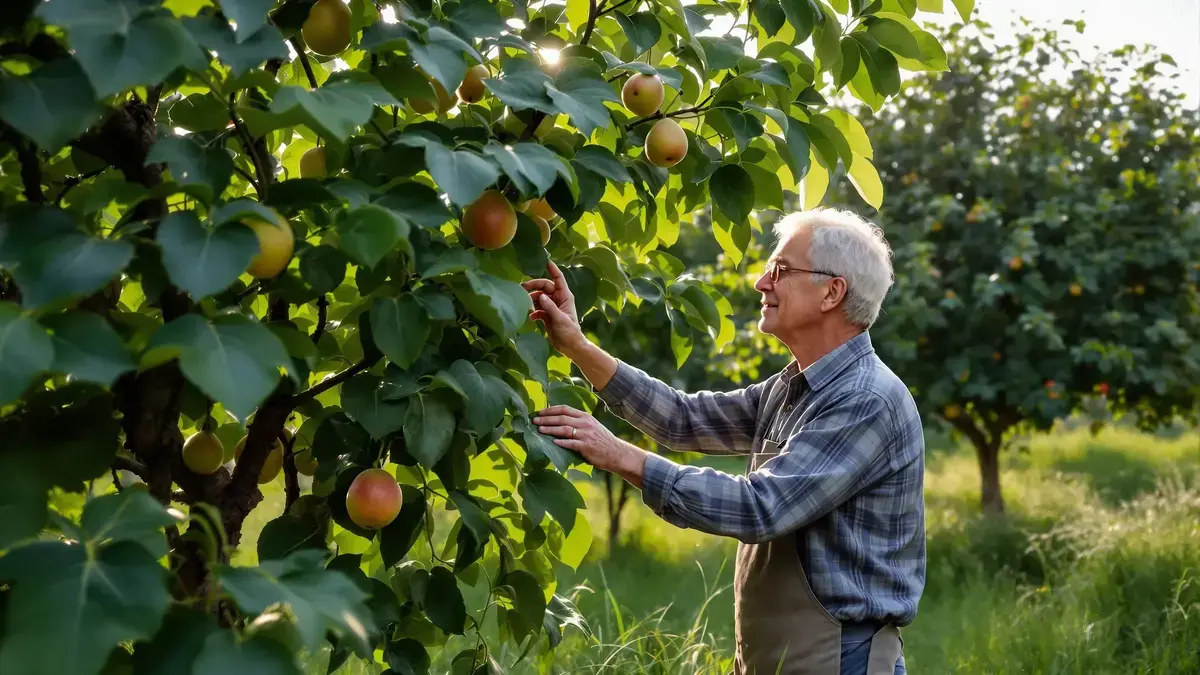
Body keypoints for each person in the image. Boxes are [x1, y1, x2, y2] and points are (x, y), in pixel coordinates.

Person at [522, 207, 925, 675]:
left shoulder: (865, 400)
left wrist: (620, 455)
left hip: (840, 660)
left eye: (781, 270)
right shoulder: (791, 387)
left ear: (832, 292)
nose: (761, 283)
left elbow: (761, 507)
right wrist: (576, 346)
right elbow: (682, 419)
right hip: (775, 656)